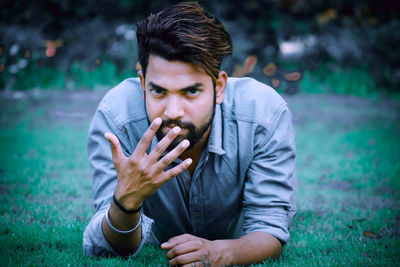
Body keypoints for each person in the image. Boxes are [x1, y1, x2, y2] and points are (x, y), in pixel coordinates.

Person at [83, 2, 297, 266]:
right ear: (142, 84)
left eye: (191, 91)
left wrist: (220, 254)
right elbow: (108, 247)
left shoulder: (263, 115)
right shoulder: (117, 119)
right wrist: (127, 201)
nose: (173, 112)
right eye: (159, 91)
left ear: (219, 87)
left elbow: (270, 231)